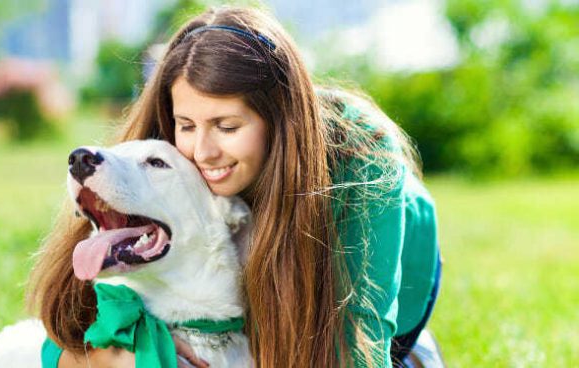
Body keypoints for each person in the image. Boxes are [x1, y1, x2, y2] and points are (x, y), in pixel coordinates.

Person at [28, 5, 442, 368]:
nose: (203, 152)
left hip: (384, 279)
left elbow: (360, 341)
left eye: (227, 126)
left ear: (279, 119)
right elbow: (67, 333)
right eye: (187, 125)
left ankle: (421, 354)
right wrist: (120, 354)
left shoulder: (361, 153)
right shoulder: (159, 153)